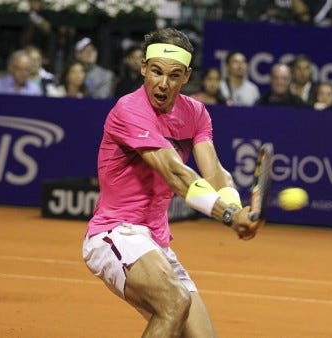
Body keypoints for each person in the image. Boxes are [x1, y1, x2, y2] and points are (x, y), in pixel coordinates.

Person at [82, 27, 259, 338]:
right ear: (143, 69)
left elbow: (215, 172)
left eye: (174, 75)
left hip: (156, 242)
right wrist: (229, 217)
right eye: (156, 72)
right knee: (174, 302)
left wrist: (235, 206)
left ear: (186, 77)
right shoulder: (129, 109)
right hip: (115, 233)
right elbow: (175, 173)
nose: (163, 84)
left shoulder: (196, 113)